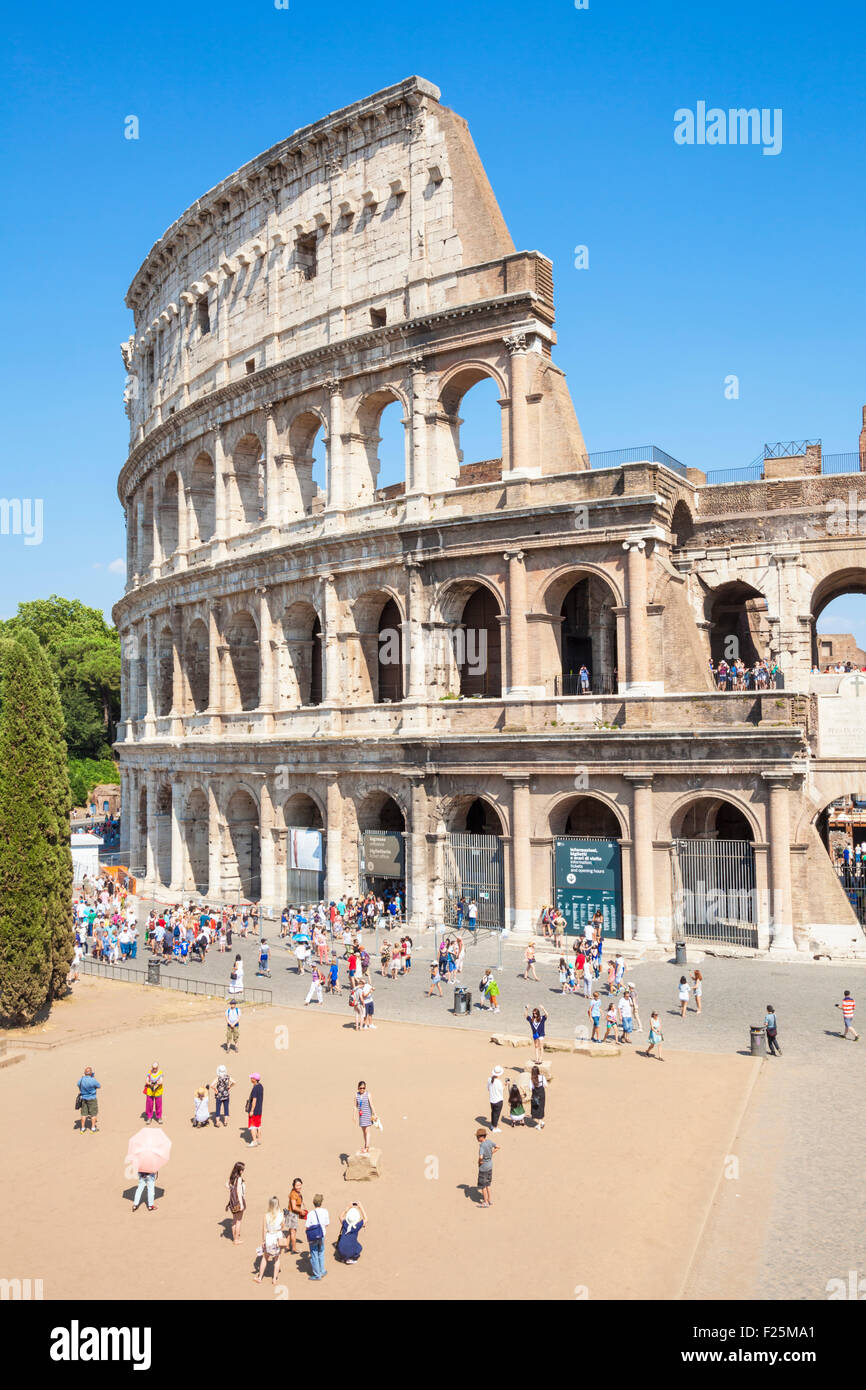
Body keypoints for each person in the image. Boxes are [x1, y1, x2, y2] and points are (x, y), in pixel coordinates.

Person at [254, 1197, 285, 1284]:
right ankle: (274, 1279)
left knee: (265, 1257)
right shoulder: (281, 1214)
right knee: (277, 1258)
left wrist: (263, 1240)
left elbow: (264, 1229)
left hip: (269, 1237)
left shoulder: (266, 1215)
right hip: (277, 1237)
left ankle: (260, 1277)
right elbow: (282, 1227)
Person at [306, 1195, 330, 1281]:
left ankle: (317, 1275)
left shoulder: (311, 1213)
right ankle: (322, 1271)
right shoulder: (325, 1211)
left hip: (313, 1236)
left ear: (314, 1203)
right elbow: (327, 1223)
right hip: (322, 1234)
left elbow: (307, 1226)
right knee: (321, 1252)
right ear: (321, 1202)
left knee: (314, 1254)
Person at [476, 1127, 498, 1208]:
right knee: (488, 1184)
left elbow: (481, 1157)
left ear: (481, 1137)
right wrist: (491, 1153)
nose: (477, 1138)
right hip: (490, 1166)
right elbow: (498, 1147)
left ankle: (485, 1202)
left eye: (477, 1137)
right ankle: (489, 1200)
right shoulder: (489, 1142)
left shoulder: (482, 1146)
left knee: (483, 1186)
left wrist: (479, 1162)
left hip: (483, 1168)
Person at [354, 1080, 378, 1154]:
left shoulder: (368, 1094)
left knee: (367, 1131)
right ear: (358, 1088)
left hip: (367, 1115)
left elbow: (371, 1105)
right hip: (361, 1116)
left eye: (364, 1088)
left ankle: (367, 1147)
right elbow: (355, 1106)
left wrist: (375, 1114)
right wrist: (354, 1116)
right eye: (361, 1088)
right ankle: (366, 1145)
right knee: (364, 1132)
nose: (362, 1089)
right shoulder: (356, 1095)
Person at [76, 1065, 101, 1134]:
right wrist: (93, 1078)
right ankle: (93, 1128)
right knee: (93, 1114)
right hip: (92, 1098)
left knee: (83, 1114)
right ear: (90, 1073)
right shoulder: (93, 1080)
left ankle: (83, 1128)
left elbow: (78, 1084)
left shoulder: (81, 1080)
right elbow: (99, 1086)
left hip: (84, 1098)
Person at [226, 1162, 246, 1243]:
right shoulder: (239, 1179)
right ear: (239, 1170)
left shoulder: (232, 1177)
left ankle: (234, 1237)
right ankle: (236, 1239)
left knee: (234, 1220)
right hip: (238, 1201)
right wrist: (241, 1204)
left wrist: (231, 1189)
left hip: (232, 1202)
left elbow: (226, 1185)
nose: (243, 1171)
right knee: (239, 1220)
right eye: (242, 1169)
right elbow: (239, 1192)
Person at [285, 1177, 306, 1256]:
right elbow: (294, 1207)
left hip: (290, 1213)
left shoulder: (295, 1192)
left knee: (290, 1231)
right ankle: (294, 1248)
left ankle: (287, 1246)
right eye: (297, 1185)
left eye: (300, 1185)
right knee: (293, 1232)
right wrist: (301, 1211)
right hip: (292, 1214)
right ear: (294, 1186)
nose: (299, 1187)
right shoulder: (294, 1194)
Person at [246, 1073, 264, 1145]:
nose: (250, 1079)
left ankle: (254, 1141)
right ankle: (259, 1140)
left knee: (252, 1126)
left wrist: (252, 1110)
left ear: (254, 1079)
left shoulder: (255, 1088)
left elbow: (254, 1100)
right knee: (258, 1125)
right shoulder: (260, 1086)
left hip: (254, 1110)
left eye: (251, 1078)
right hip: (259, 1110)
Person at [487, 1064, 504, 1132]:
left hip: (492, 1099)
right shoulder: (499, 1082)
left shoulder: (489, 1079)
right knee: (496, 1114)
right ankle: (495, 1127)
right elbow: (501, 1090)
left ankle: (492, 1125)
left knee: (493, 1113)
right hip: (498, 1100)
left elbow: (488, 1088)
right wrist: (505, 1085)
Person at [530, 1064, 547, 1130]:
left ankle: (539, 1125)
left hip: (535, 1095)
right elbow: (546, 1085)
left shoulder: (532, 1079)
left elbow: (530, 1088)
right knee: (541, 1108)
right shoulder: (542, 1077)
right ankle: (541, 1122)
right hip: (542, 1094)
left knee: (536, 1108)